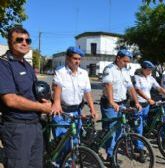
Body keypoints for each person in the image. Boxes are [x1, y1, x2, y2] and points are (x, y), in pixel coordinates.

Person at [0, 26, 52, 168]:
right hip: (17, 128)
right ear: (10, 42)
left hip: (35, 125)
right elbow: (10, 99)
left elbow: (34, 92)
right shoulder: (4, 64)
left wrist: (46, 100)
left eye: (27, 40)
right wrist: (42, 107)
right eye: (19, 40)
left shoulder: (27, 66)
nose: (25, 43)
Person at [51, 46, 97, 164]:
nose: (77, 61)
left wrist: (92, 109)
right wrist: (56, 103)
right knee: (63, 141)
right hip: (62, 111)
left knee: (75, 141)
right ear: (68, 58)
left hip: (76, 111)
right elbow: (57, 87)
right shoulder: (60, 71)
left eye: (79, 59)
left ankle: (70, 162)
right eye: (75, 58)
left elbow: (87, 93)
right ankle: (59, 163)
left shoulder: (84, 73)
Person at [100, 49, 142, 165]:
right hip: (110, 104)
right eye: (125, 61)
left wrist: (136, 102)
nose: (126, 63)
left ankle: (112, 151)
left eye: (128, 61)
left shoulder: (125, 71)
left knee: (119, 129)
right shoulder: (109, 69)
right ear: (118, 58)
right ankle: (110, 156)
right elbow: (108, 85)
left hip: (122, 103)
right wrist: (112, 102)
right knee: (112, 129)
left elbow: (131, 87)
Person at [134, 61, 165, 151]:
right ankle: (138, 148)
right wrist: (148, 99)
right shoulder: (137, 78)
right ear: (143, 69)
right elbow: (137, 90)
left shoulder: (150, 78)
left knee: (144, 123)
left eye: (151, 70)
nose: (150, 72)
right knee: (139, 127)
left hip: (147, 105)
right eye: (148, 70)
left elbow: (159, 88)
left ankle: (140, 138)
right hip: (138, 104)